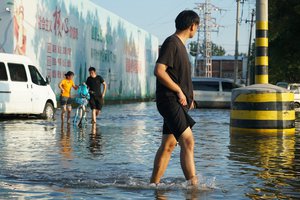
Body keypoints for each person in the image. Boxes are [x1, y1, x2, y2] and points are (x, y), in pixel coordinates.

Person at [150, 10, 199, 186]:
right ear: (192, 25)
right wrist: (179, 91)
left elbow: (178, 76)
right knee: (188, 141)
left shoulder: (180, 46)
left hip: (176, 102)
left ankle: (153, 184)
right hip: (170, 101)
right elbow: (159, 70)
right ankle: (194, 187)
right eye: (196, 27)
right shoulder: (172, 43)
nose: (196, 30)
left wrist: (188, 97)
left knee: (169, 145)